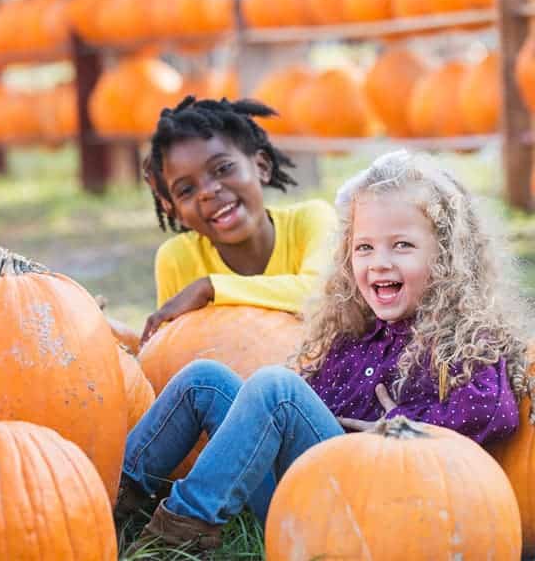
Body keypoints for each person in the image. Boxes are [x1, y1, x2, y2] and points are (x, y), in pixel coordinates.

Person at [117, 149, 529, 555]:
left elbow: (495, 410)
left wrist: (400, 429)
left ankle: (181, 530)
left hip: (370, 515)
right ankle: (117, 498)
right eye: (365, 247)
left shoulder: (461, 341)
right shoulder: (356, 334)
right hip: (311, 493)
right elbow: (310, 416)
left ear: (447, 256)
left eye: (401, 245)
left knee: (276, 388)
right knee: (203, 379)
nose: (379, 263)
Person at [139, 96, 336, 345]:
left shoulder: (312, 219)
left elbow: (319, 295)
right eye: (186, 190)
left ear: (261, 166)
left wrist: (211, 288)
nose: (207, 192)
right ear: (176, 213)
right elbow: (172, 349)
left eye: (222, 169)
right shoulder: (177, 259)